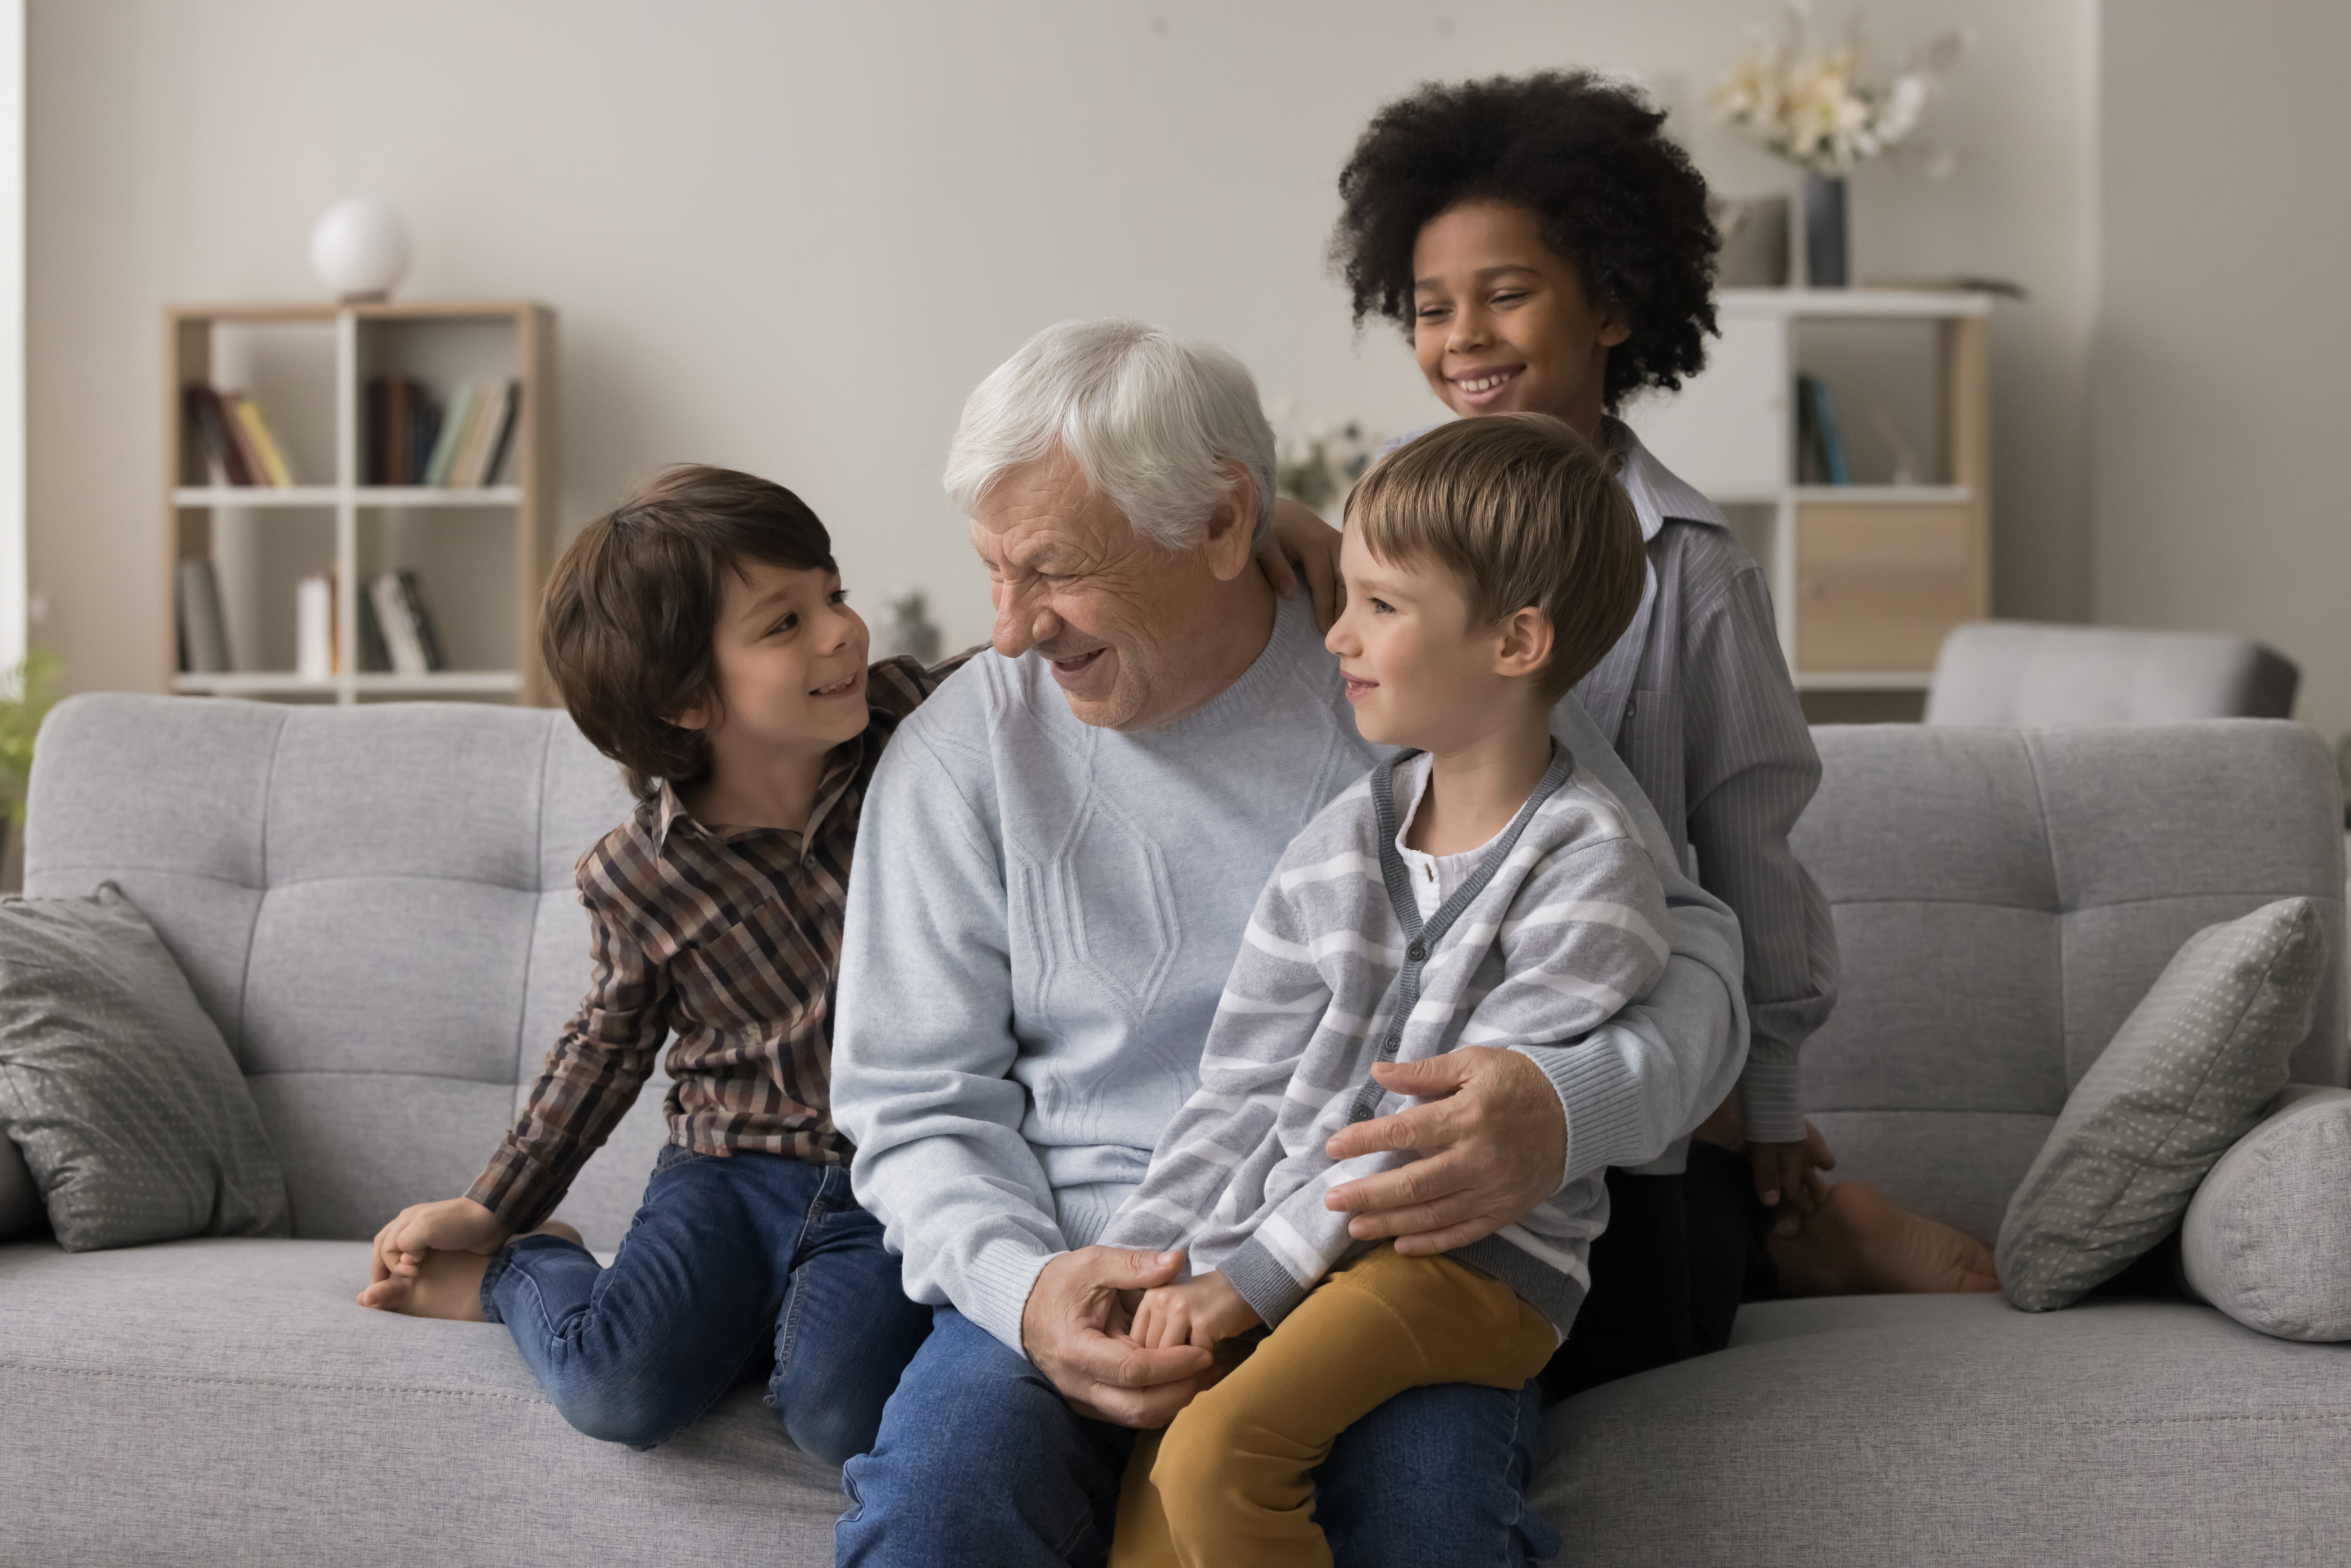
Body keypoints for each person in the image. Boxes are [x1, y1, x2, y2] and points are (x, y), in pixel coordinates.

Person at [828, 318, 1747, 1567]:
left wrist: (1563, 1104)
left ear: (1223, 523)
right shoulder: (960, 754)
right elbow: (908, 1103)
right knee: (938, 1513)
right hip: (1088, 1255)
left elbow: (1694, 960)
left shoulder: (1420, 678)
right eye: (992, 570)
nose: (1009, 630)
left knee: (1423, 1526)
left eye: (1051, 570)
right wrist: (1024, 1292)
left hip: (1379, 1254)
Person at [1307, 70, 1998, 1390]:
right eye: (1430, 306)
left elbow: (1749, 838)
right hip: (1430, 1021)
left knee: (1603, 1331)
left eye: (1504, 293)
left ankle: (1798, 1236)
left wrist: (1772, 1100)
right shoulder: (1374, 521)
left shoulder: (1689, 570)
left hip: (1613, 1026)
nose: (1463, 336)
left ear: (1613, 306)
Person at [1099, 413, 1660, 1568]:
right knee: (1152, 1506)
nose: (1337, 635)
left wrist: (1247, 1285)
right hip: (1316, 1241)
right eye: (1341, 597)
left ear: (1515, 641)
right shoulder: (1336, 846)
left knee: (1220, 1457)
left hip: (1468, 1264)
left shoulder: (1590, 867)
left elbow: (1437, 1145)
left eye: (1381, 607)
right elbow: (1238, 1092)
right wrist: (1151, 1263)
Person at [354, 465, 942, 1465]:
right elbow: (606, 1047)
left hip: (891, 1174)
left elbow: (1041, 654)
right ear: (681, 699)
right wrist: (498, 1207)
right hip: (728, 1170)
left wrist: (1266, 533)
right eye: (783, 623)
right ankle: (526, 1271)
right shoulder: (637, 876)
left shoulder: (918, 728)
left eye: (832, 594)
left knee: (839, 1414)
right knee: (617, 1391)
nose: (841, 631)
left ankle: (754, 1325)